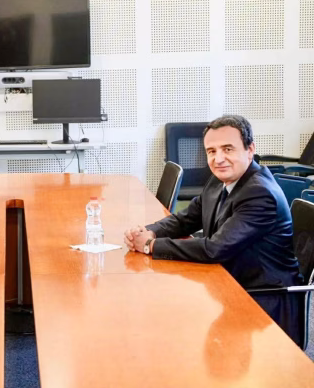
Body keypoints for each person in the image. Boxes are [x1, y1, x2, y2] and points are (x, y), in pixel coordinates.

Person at [123, 115, 303, 346]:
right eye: (211, 151)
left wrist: (150, 246)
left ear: (250, 150)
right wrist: (149, 231)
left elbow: (215, 248)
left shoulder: (260, 194)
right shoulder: (220, 180)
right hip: (228, 284)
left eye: (228, 149)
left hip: (262, 302)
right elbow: (186, 219)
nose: (218, 159)